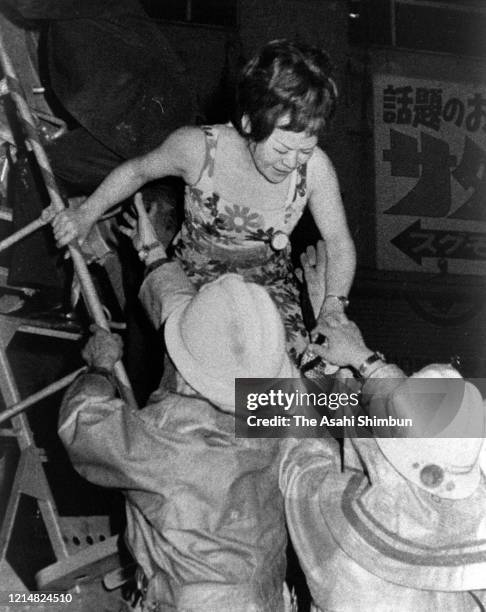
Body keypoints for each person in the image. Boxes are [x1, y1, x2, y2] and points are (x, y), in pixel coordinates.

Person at [57, 197, 298, 611]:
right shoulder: (276, 412)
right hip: (267, 598)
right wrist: (152, 254)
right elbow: (182, 315)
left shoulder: (169, 440)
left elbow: (81, 425)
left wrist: (98, 369)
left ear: (188, 371)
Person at [52, 39, 356, 364]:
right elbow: (137, 171)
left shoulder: (316, 168)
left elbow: (339, 243)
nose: (293, 161)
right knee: (202, 368)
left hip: (268, 288)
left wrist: (333, 305)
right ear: (249, 123)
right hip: (195, 281)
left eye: (304, 149)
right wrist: (86, 214)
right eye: (282, 150)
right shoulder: (198, 149)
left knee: (280, 378)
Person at [280, 318, 486, 611]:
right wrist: (362, 359)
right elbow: (423, 429)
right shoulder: (474, 527)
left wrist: (281, 371)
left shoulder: (341, 538)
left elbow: (301, 461)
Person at [3, 0, 198, 306]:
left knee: (41, 171)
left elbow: (28, 5)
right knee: (42, 169)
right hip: (134, 130)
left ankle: (44, 288)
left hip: (146, 130)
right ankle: (46, 288)